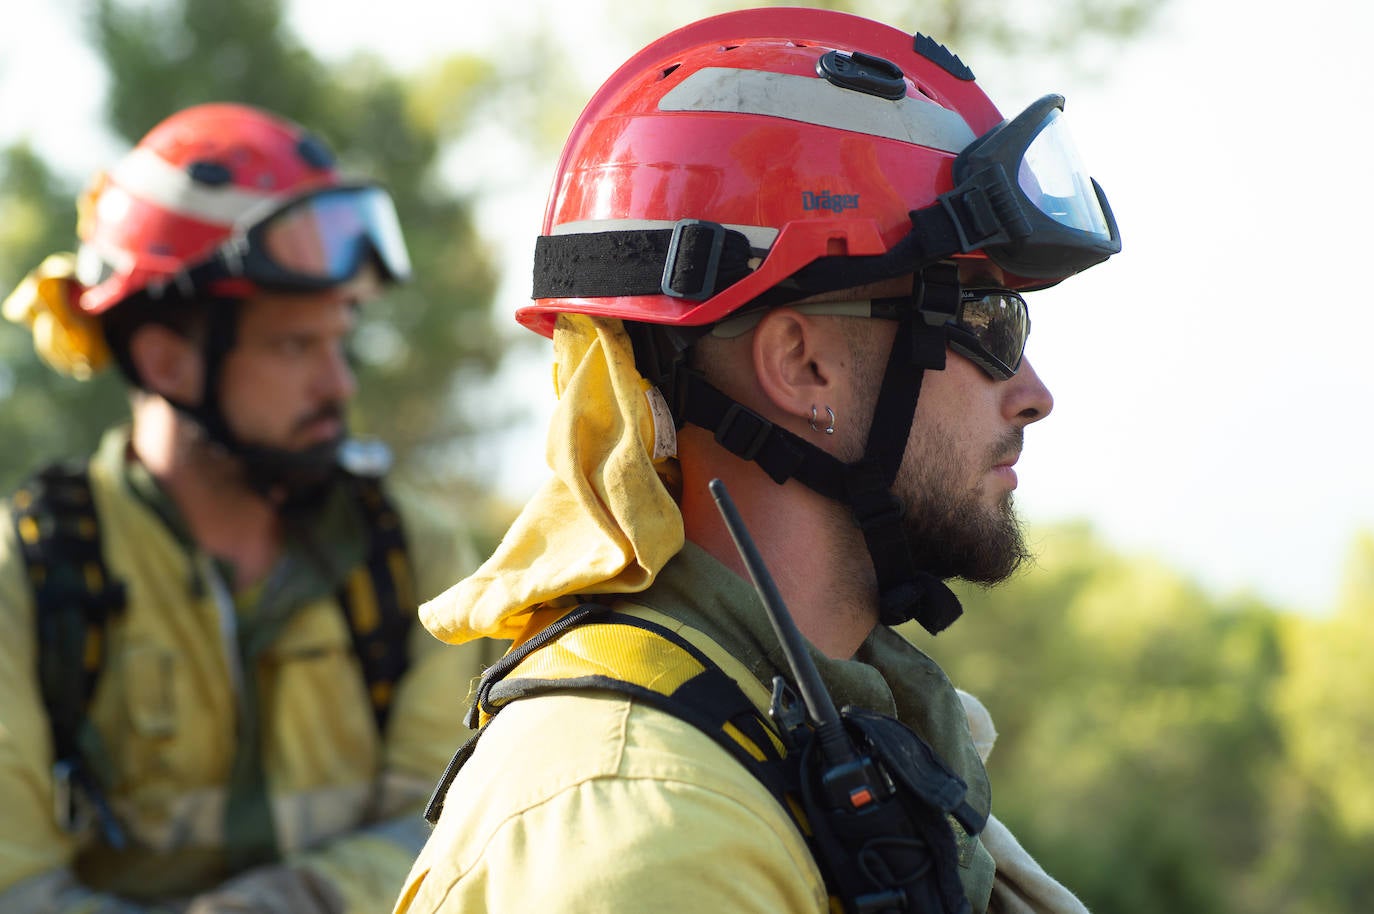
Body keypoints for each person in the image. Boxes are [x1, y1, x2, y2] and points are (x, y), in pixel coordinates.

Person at [396, 8, 1120, 914]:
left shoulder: (831, 736)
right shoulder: (648, 829)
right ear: (801, 364)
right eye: (983, 321)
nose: (1033, 391)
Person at [0, 103, 495, 913]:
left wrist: (284, 902)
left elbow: (455, 832)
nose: (339, 384)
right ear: (168, 360)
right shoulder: (30, 576)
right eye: (295, 347)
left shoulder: (413, 558)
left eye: (341, 340)